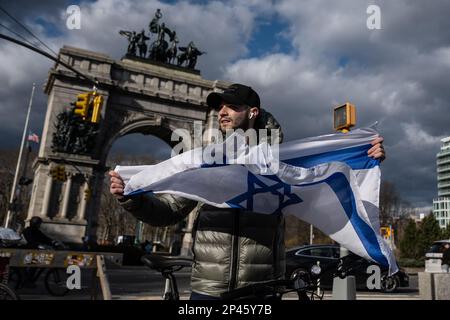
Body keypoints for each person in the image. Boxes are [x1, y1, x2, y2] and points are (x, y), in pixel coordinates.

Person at [109, 83, 386, 299]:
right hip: (209, 288)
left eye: (231, 106)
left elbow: (327, 173)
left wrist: (364, 157)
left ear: (252, 112)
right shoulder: (204, 160)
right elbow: (169, 211)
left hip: (263, 287)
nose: (222, 112)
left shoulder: (283, 161)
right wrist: (131, 197)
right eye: (220, 107)